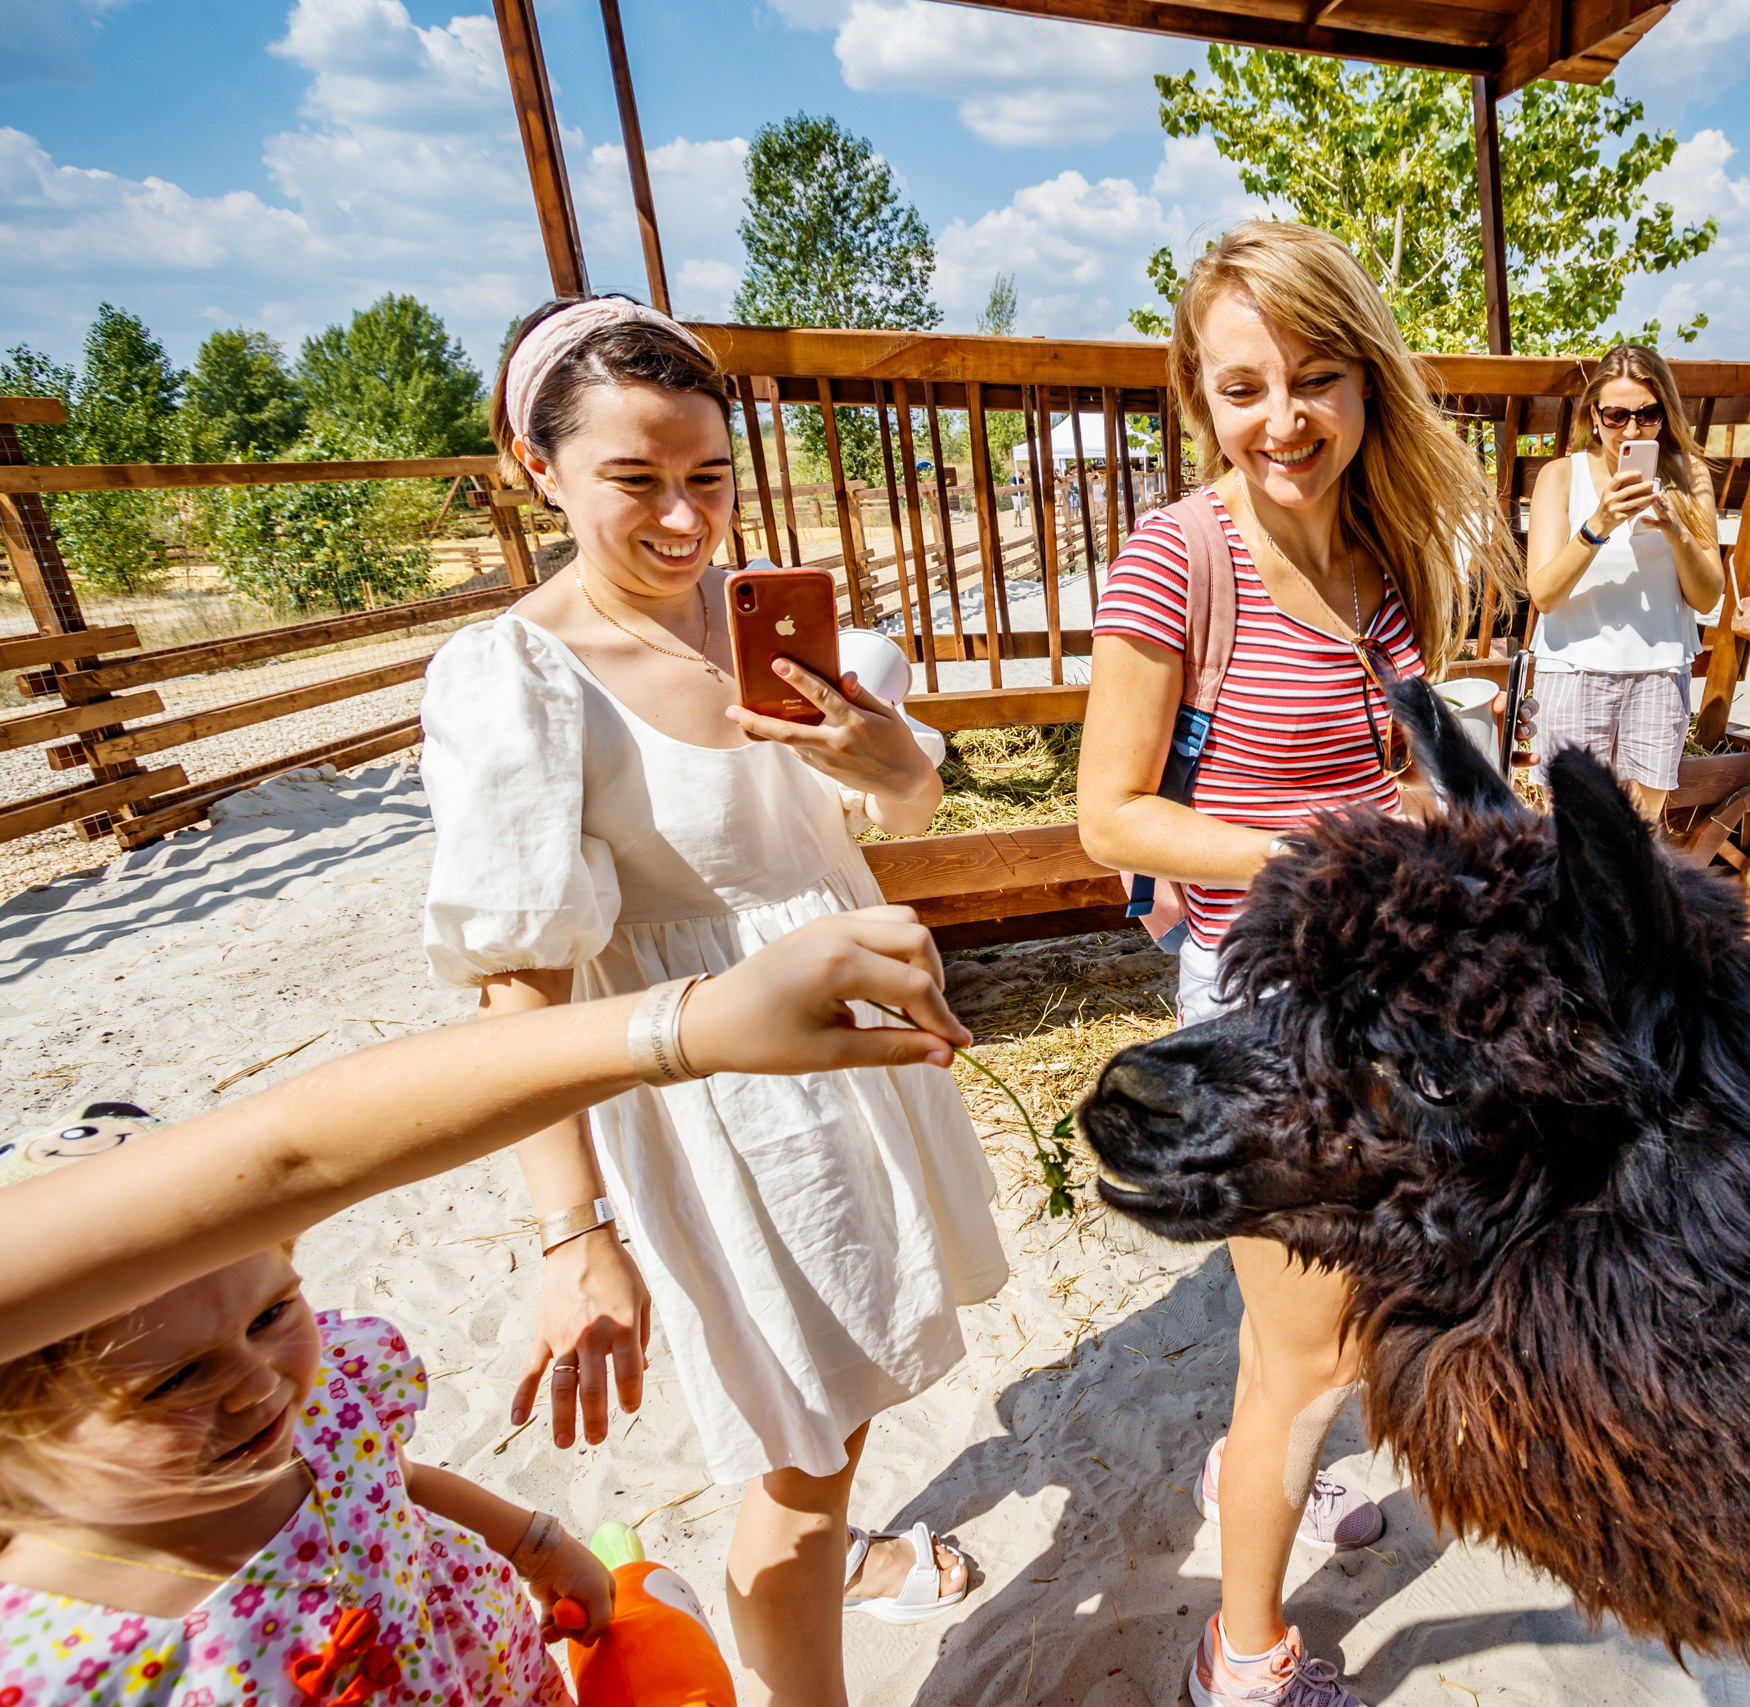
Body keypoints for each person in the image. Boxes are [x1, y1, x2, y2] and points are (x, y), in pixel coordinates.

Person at [418, 295, 1003, 1705]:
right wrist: (577, 1230)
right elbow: (520, 976)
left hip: (851, 1070)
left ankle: (840, 1547)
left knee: (835, 1416)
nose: (683, 519)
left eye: (707, 476)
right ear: (534, 465)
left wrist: (876, 747)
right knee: (797, 1460)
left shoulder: (766, 638)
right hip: (728, 1109)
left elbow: (905, 803)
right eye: (636, 479)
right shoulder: (522, 676)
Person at [0, 912, 972, 1702]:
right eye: (175, 1376)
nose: (259, 1385)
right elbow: (295, 1151)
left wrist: (536, 1545)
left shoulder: (326, 1405)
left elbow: (384, 1477)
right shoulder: (54, 1667)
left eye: (268, 1316)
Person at [1078, 222, 1523, 1707]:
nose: (1287, 419)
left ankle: (1250, 1472)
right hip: (1262, 1009)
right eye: (1246, 385)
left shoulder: (1373, 552)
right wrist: (1305, 850)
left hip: (1370, 981)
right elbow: (1109, 814)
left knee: (1329, 1319)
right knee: (1314, 1347)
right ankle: (1244, 1654)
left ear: (1366, 380)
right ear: (1199, 397)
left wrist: (1452, 809)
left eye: (1316, 377)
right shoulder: (1180, 555)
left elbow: (1399, 749)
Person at [1523, 344, 1750, 819]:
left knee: (1641, 839)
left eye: (1647, 414)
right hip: (1573, 669)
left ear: (1665, 414)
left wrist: (1676, 530)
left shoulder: (1690, 477)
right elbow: (1543, 593)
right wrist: (1598, 524)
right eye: (1617, 414)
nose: (1631, 429)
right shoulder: (1562, 477)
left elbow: (1706, 595)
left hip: (1658, 675)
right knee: (1567, 834)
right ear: (1594, 415)